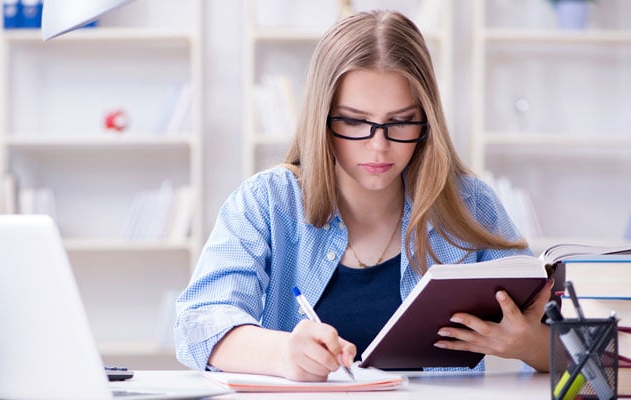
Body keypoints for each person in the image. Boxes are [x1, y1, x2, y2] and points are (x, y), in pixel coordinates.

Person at [174, 9, 553, 381]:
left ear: (427, 119)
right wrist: (284, 354)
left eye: (401, 121)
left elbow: (578, 358)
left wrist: (529, 345)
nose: (379, 147)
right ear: (321, 118)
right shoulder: (268, 202)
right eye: (354, 121)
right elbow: (199, 323)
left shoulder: (469, 204)